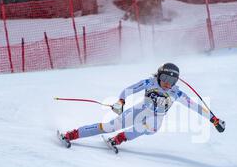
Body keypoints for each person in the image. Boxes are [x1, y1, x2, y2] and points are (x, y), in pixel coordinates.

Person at [61, 63, 225, 149]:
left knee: (148, 126)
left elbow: (195, 107)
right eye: (165, 79)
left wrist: (213, 119)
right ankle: (73, 134)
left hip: (155, 120)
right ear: (159, 75)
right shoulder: (149, 83)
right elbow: (128, 90)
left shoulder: (177, 93)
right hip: (140, 110)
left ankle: (119, 139)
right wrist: (121, 102)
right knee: (111, 126)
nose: (168, 84)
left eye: (172, 81)